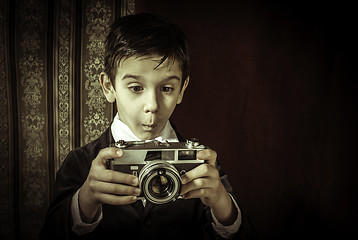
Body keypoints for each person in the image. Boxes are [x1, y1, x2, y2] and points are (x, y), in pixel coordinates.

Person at [40, 13, 254, 240]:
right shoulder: (80, 163)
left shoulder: (200, 165)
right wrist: (84, 201)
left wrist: (223, 205)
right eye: (135, 88)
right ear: (108, 86)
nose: (152, 105)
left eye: (167, 88)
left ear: (182, 89)